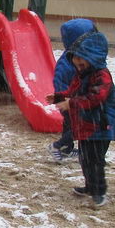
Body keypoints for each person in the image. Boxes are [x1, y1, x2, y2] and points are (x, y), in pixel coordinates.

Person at [47, 31, 115, 208]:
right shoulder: (82, 75)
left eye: (81, 58)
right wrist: (58, 97)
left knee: (96, 160)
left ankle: (99, 192)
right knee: (85, 158)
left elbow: (95, 98)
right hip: (87, 125)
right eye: (75, 58)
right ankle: (89, 186)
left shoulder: (102, 76)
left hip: (101, 126)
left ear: (92, 58)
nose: (77, 62)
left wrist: (71, 104)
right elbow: (73, 92)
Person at [48, 18, 98, 163]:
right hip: (69, 101)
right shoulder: (67, 62)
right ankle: (57, 146)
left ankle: (68, 149)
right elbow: (60, 81)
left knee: (70, 125)